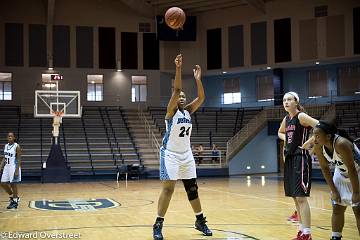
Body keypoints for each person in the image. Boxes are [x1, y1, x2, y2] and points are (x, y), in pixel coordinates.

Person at [152, 54, 212, 240]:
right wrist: (178, 67)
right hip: (170, 154)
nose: (182, 98)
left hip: (186, 155)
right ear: (175, 98)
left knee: (192, 189)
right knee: (168, 189)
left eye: (185, 97)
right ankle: (158, 223)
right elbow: (177, 89)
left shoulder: (188, 111)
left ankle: (199, 220)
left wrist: (197, 79)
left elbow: (201, 97)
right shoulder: (170, 112)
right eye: (180, 96)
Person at [278, 92, 319, 240]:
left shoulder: (301, 116)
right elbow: (280, 132)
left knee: (301, 198)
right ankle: (301, 231)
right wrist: (287, 140)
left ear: (296, 102)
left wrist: (311, 141)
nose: (286, 102)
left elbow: (320, 126)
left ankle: (307, 234)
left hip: (300, 159)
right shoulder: (286, 119)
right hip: (289, 159)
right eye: (284, 100)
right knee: (295, 198)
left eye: (289, 99)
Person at [313, 121, 360, 239]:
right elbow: (324, 168)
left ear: (328, 136)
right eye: (314, 135)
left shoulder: (341, 143)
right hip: (341, 171)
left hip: (357, 172)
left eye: (317, 135)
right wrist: (333, 190)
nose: (315, 138)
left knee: (358, 209)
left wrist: (356, 192)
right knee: (337, 207)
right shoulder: (318, 145)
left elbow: (352, 169)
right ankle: (335, 237)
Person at [0, 132, 22, 209]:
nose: (10, 137)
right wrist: (0, 166)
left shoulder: (17, 146)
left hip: (13, 166)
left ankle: (15, 202)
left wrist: (16, 170)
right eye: (8, 136)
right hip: (7, 167)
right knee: (2, 183)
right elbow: (4, 157)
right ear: (7, 138)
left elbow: (19, 159)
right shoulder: (5, 146)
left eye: (11, 136)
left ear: (14, 138)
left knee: (13, 184)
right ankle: (13, 195)